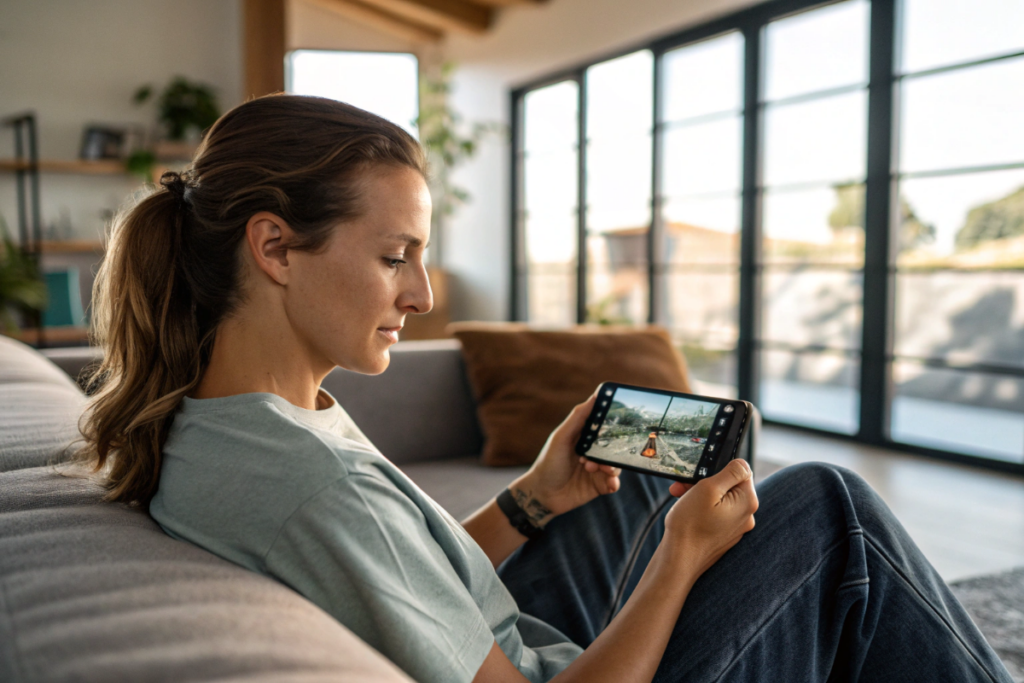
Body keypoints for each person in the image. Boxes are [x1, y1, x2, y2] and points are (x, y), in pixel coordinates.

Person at [76, 95, 1012, 683]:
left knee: (621, 484)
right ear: (275, 247)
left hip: (509, 636)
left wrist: (532, 498)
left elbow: (406, 572)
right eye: (394, 256)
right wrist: (679, 562)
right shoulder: (308, 487)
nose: (423, 293)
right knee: (827, 510)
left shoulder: (238, 417)